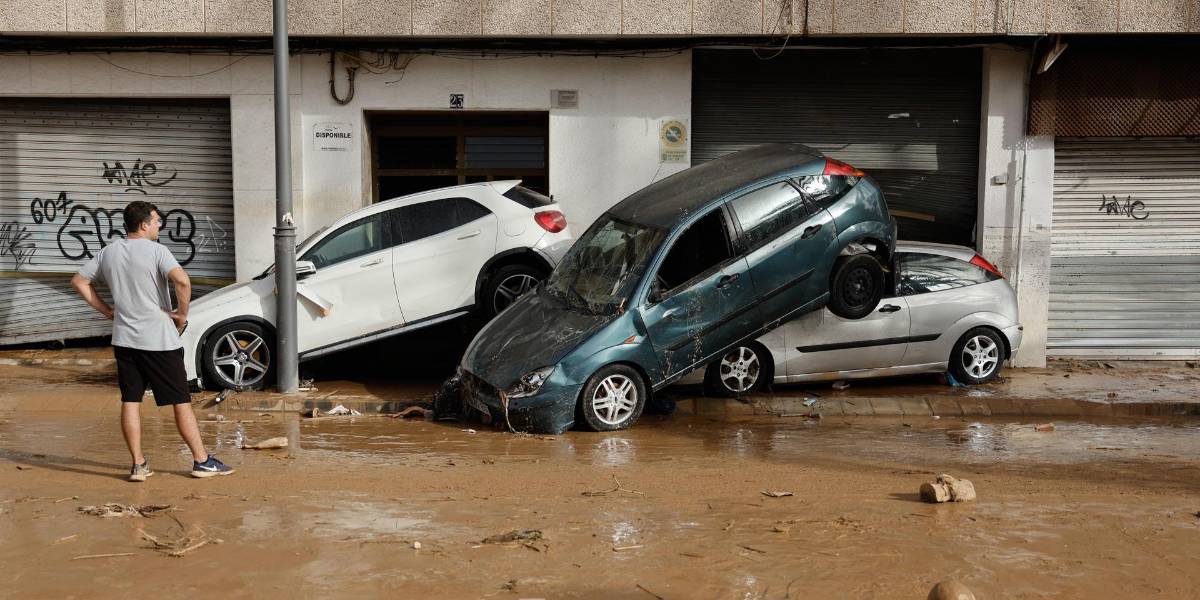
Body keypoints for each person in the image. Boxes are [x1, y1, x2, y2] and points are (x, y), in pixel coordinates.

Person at [71, 201, 235, 482]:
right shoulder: (158, 251)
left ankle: (138, 465)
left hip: (124, 339)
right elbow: (182, 282)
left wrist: (108, 312)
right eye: (157, 221)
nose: (160, 226)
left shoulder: (108, 252)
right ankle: (201, 461)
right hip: (159, 340)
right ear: (144, 224)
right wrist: (182, 315)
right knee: (180, 401)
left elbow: (79, 281)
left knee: (130, 401)